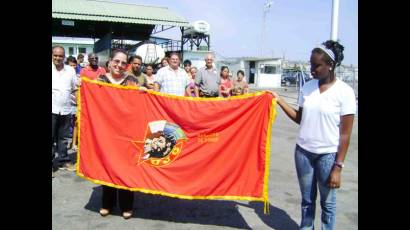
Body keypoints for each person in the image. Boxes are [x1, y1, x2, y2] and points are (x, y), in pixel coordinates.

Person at [270, 40, 356, 230]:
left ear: (330, 65)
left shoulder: (345, 92)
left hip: (328, 156)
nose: (312, 69)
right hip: (303, 154)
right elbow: (300, 118)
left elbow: (345, 135)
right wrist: (280, 101)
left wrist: (338, 167)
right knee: (307, 201)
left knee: (328, 204)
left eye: (316, 65)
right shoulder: (308, 87)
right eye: (311, 64)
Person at [96, 49, 139, 219]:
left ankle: (126, 206)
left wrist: (143, 94)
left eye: (123, 63)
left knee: (126, 170)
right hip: (106, 133)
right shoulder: (100, 80)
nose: (119, 66)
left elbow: (137, 107)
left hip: (127, 134)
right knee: (108, 167)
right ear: (110, 61)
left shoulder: (132, 81)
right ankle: (107, 204)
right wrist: (83, 87)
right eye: (117, 61)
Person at [52, 46, 78, 174]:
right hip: (52, 109)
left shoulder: (70, 71)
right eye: (55, 55)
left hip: (67, 110)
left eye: (60, 56)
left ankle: (63, 161)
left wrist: (80, 103)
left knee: (63, 138)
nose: (58, 58)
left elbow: (75, 88)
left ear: (64, 57)